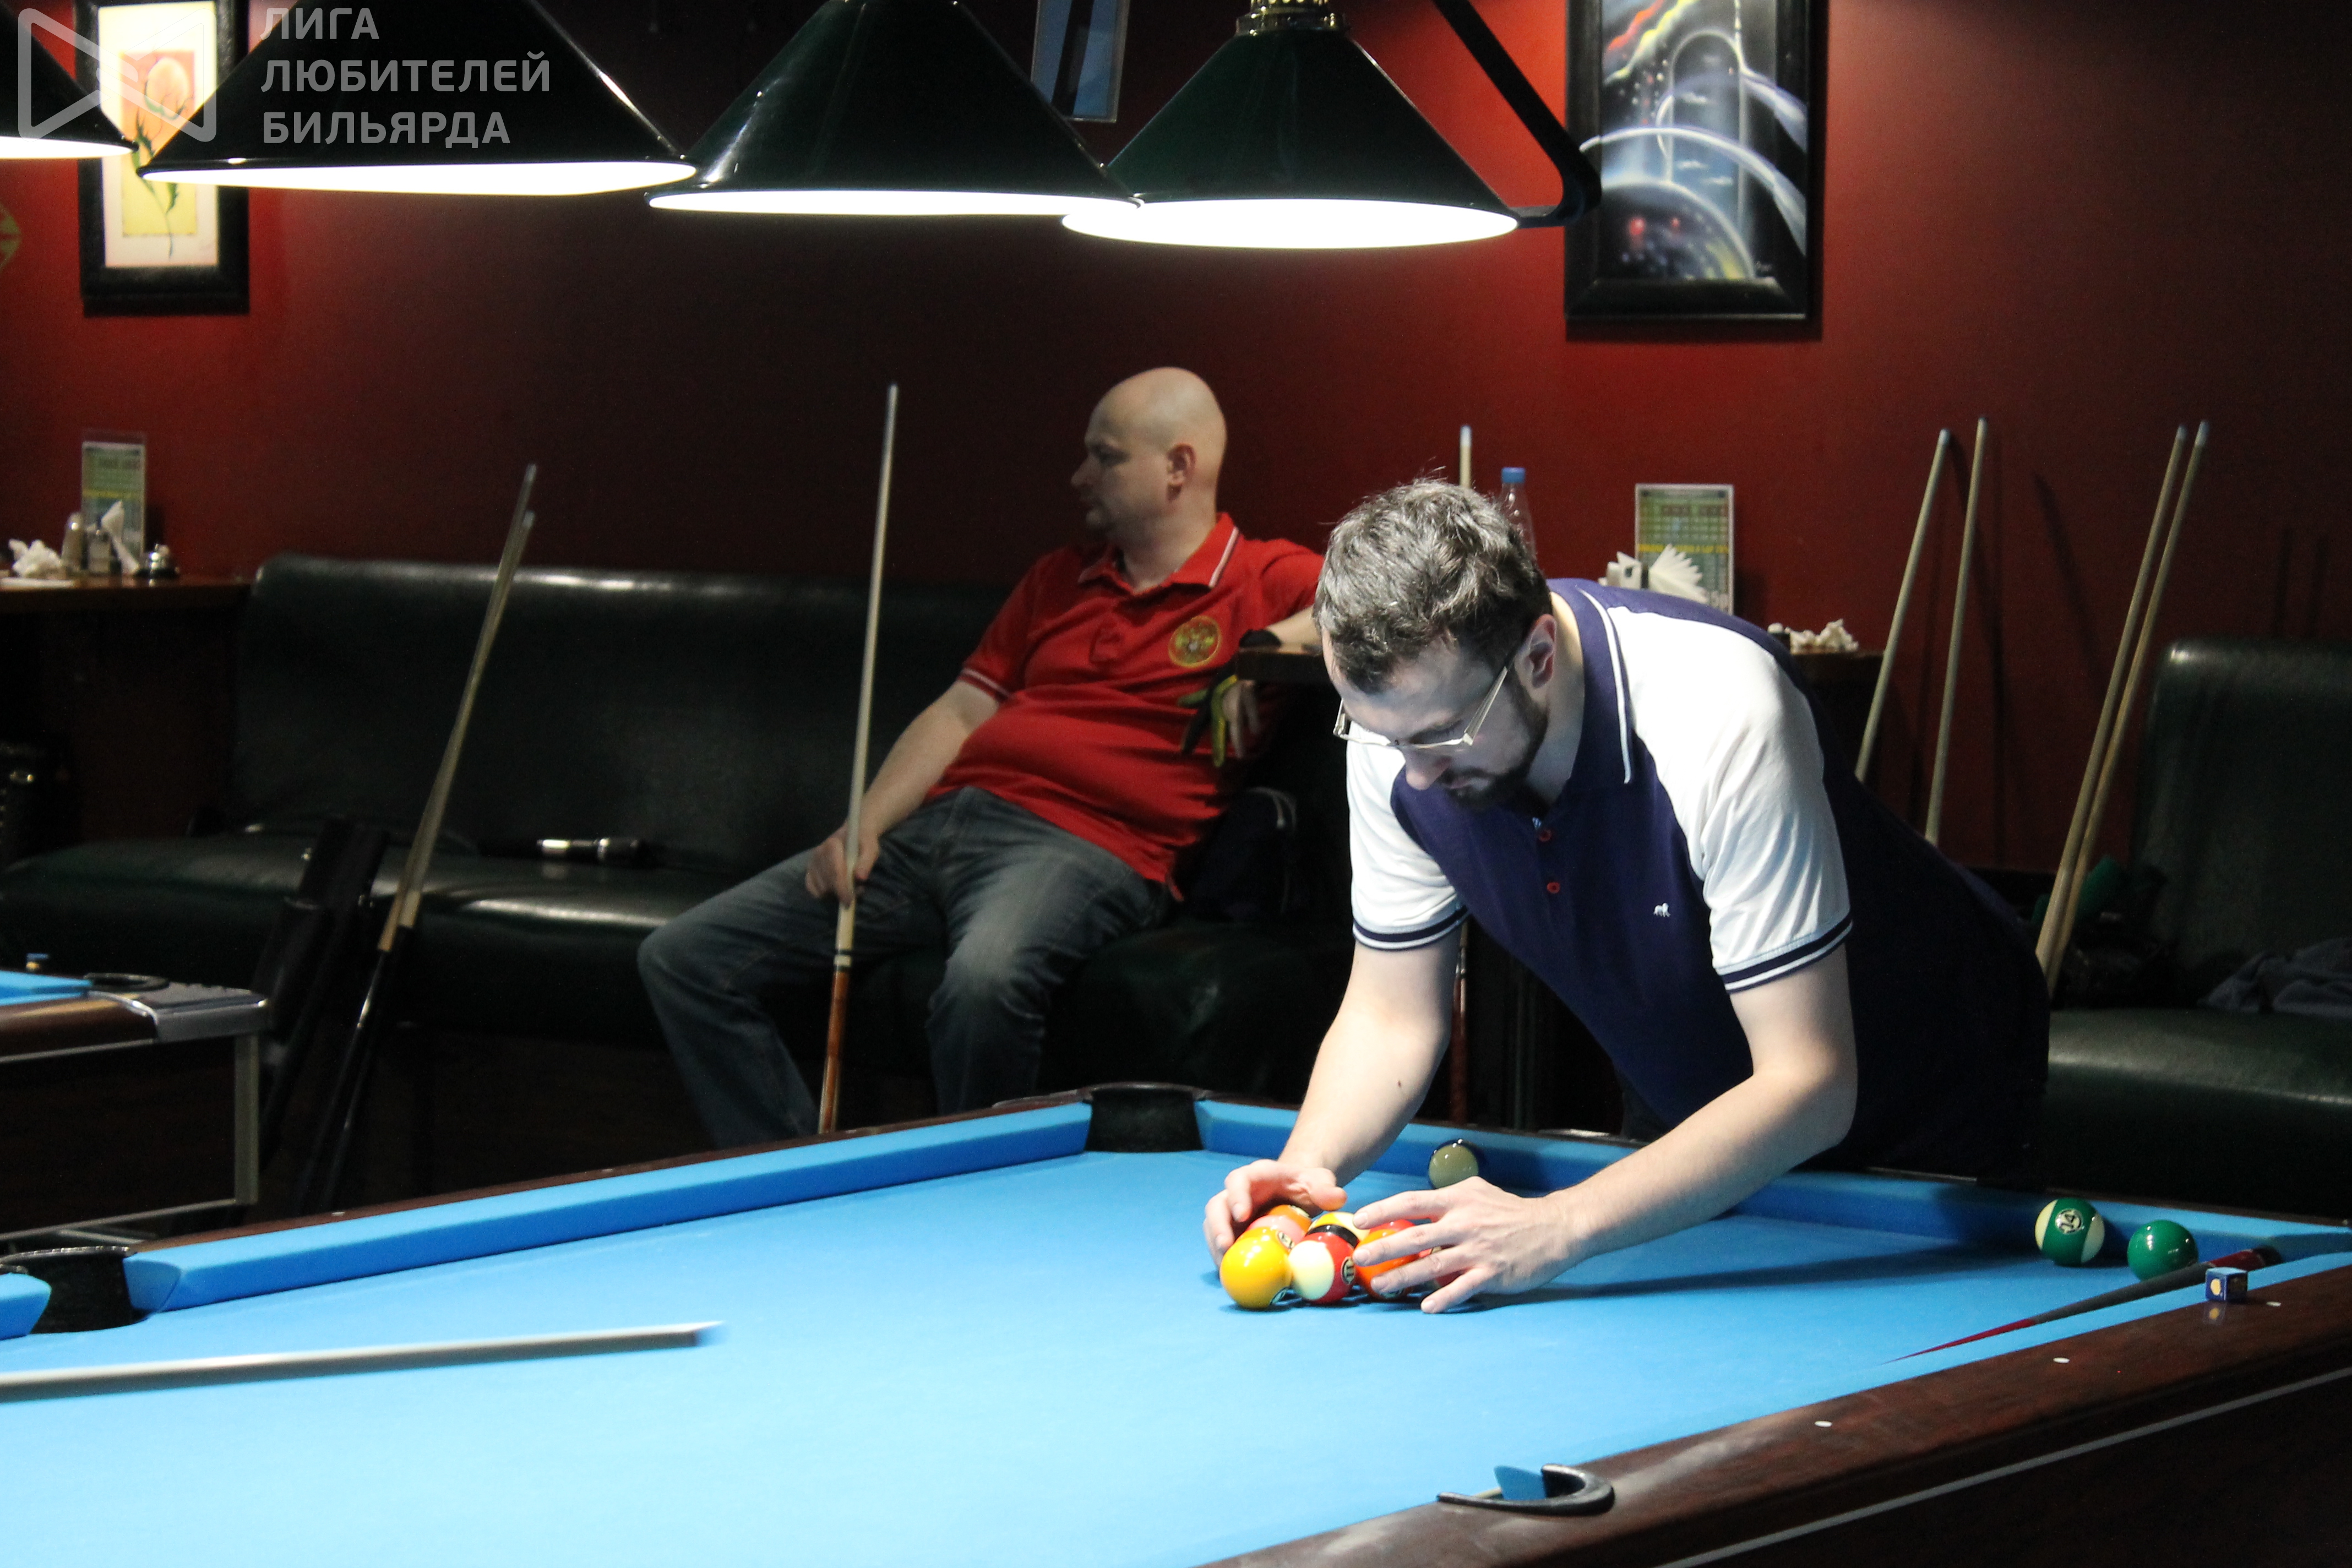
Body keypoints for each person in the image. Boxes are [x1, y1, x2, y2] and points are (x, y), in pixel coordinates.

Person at [1204, 481, 2047, 1311]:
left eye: (1444, 736)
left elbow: (1811, 1081)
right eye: (1381, 734)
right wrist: (1305, 1176)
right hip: (1702, 1109)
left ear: (1538, 656)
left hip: (1926, 1090)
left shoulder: (1722, 711)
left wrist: (1558, 1224)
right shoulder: (1400, 730)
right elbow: (1393, 1016)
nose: (1415, 774)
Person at [641, 369, 1320, 1145]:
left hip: (1086, 849)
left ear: (1178, 467)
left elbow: (1385, 602)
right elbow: (962, 710)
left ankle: (975, 1191)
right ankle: (793, 1174)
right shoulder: (1059, 577)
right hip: (939, 828)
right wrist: (866, 823)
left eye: (1104, 457)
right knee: (685, 957)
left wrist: (1264, 648)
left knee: (983, 983)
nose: (1080, 476)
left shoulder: (1262, 576)